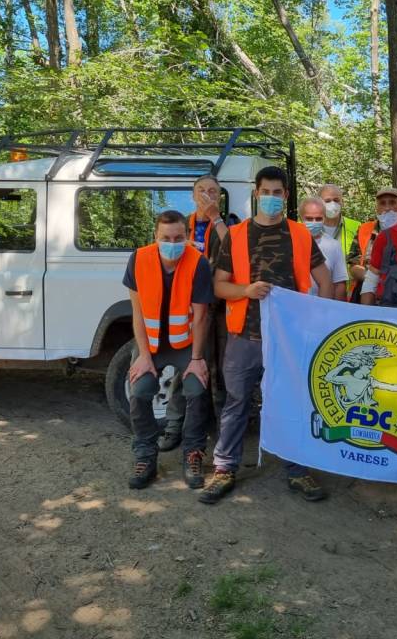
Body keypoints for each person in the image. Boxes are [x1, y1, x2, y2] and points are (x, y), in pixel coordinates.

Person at [201, 166, 334, 505]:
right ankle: (224, 469)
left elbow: (326, 280)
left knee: (291, 403)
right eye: (266, 192)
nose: (272, 198)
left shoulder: (301, 235)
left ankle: (296, 469)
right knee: (236, 402)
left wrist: (319, 322)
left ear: (286, 196)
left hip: (289, 339)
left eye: (278, 193)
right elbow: (219, 285)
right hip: (244, 336)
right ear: (256, 194)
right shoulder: (238, 234)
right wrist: (246, 290)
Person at [123, 210, 214, 491]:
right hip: (150, 345)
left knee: (197, 390)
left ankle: (193, 453)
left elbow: (200, 316)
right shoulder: (138, 259)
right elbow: (137, 313)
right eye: (166, 238)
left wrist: (198, 359)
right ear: (156, 237)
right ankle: (145, 456)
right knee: (139, 392)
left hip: (186, 344)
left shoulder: (198, 263)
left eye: (178, 237)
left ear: (186, 237)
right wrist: (144, 356)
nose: (172, 243)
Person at [157, 175, 230, 451]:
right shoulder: (181, 225)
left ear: (220, 196)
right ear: (192, 194)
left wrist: (216, 218)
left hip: (218, 308)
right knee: (184, 367)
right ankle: (174, 426)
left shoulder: (228, 224)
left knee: (220, 372)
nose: (207, 195)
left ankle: (224, 431)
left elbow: (234, 249)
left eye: (213, 191)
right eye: (201, 190)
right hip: (184, 308)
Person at [346, 187, 397, 301]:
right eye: (382, 203)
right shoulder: (364, 230)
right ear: (377, 208)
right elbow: (353, 265)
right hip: (367, 294)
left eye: (392, 202)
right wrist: (374, 279)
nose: (387, 208)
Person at [301, 196, 349, 300]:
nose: (314, 222)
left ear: (324, 218)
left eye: (318, 219)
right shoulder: (292, 240)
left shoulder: (334, 246)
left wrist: (336, 311)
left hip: (323, 307)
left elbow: (339, 284)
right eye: (309, 219)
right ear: (301, 218)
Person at [319, 184, 360, 283]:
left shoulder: (357, 227)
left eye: (336, 200)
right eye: (327, 201)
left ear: (343, 202)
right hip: (315, 293)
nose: (332, 204)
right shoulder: (305, 227)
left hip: (346, 294)